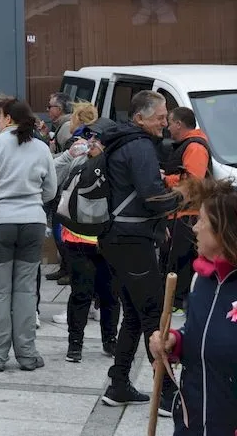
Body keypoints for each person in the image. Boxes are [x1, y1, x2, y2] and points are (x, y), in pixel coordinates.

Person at [98, 90, 178, 409]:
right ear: (140, 117)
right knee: (153, 313)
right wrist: (183, 199)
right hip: (133, 240)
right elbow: (151, 196)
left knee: (132, 312)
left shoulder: (119, 140)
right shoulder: (140, 145)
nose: (164, 123)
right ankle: (167, 393)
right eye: (160, 117)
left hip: (115, 238)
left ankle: (118, 384)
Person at [0, 98, 57, 372]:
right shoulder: (40, 147)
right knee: (26, 290)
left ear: (6, 118)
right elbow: (51, 190)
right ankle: (27, 354)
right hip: (32, 223)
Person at [149, 178, 237, 435]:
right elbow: (199, 333)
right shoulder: (202, 279)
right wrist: (173, 342)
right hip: (193, 422)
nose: (194, 228)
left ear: (224, 232)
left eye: (201, 221)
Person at [52, 116, 121, 363]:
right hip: (76, 240)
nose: (91, 142)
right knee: (80, 293)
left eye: (98, 138)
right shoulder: (78, 160)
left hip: (107, 241)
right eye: (90, 136)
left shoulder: (117, 164)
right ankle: (75, 344)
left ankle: (110, 341)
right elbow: (53, 178)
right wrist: (68, 155)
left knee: (110, 294)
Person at [160, 106, 211, 315]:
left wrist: (165, 179)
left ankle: (178, 302)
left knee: (179, 259)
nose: (167, 126)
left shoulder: (195, 147)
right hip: (178, 213)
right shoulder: (187, 145)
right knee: (173, 258)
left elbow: (193, 181)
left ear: (179, 124)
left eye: (170, 122)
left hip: (186, 215)